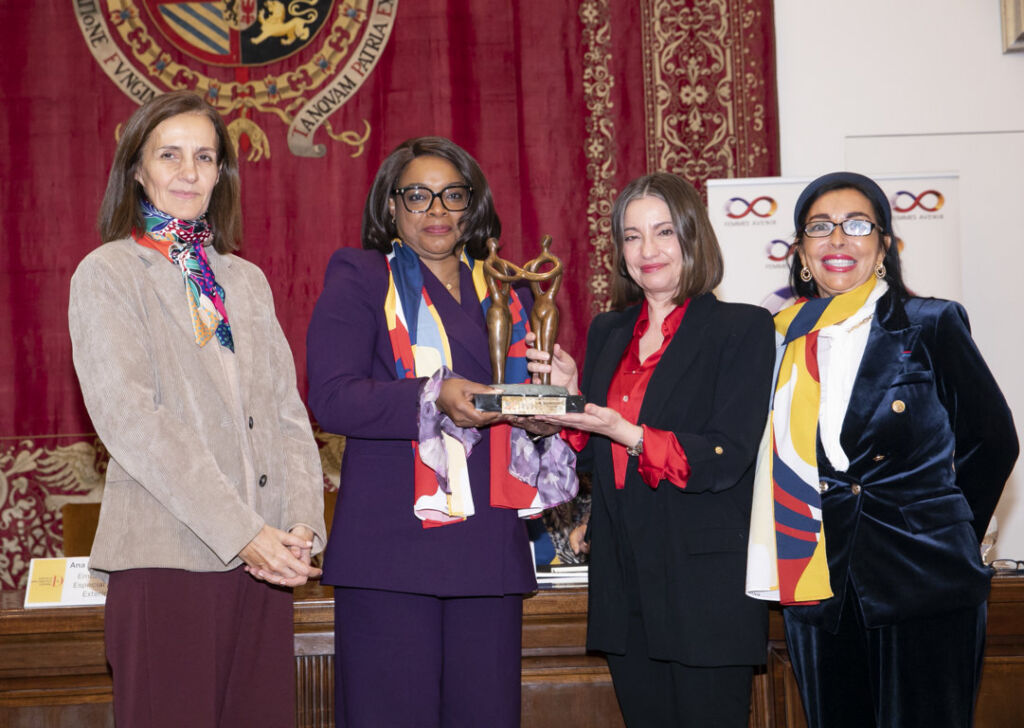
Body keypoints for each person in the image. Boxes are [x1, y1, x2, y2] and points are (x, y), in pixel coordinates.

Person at [67, 91, 326, 727]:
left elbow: (288, 415)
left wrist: (298, 527)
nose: (188, 171)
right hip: (168, 559)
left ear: (220, 174)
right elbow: (131, 419)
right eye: (170, 155)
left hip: (263, 566)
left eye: (204, 157)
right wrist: (244, 532)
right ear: (137, 169)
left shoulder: (245, 280)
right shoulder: (107, 274)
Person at [306, 136, 575, 728]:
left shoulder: (502, 288)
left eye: (452, 195)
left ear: (471, 206)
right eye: (418, 196)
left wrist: (544, 411)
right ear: (391, 207)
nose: (436, 211)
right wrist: (435, 396)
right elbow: (332, 400)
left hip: (488, 547)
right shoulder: (361, 276)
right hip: (392, 549)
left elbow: (520, 400)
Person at [745, 171, 1018, 728]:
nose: (838, 239)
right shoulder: (777, 339)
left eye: (856, 224)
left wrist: (948, 532)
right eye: (820, 227)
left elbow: (993, 439)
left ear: (884, 245)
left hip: (927, 579)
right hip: (819, 584)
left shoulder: (930, 324)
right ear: (800, 252)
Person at [527, 172, 775, 727]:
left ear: (693, 237)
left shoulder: (744, 328)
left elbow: (727, 455)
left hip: (706, 588)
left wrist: (629, 432)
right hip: (624, 581)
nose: (648, 250)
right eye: (632, 236)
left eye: (664, 232)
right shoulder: (610, 331)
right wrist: (570, 398)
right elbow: (594, 462)